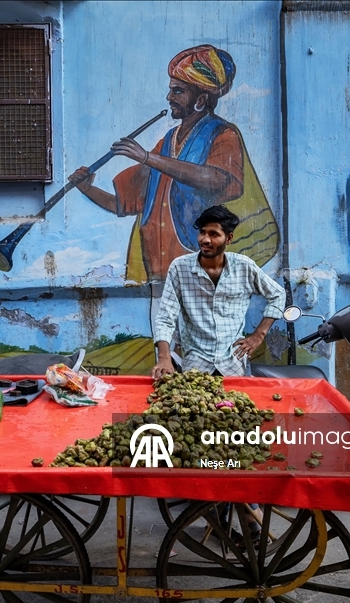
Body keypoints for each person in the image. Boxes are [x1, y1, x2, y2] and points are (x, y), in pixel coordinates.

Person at [69, 45, 277, 284]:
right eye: (171, 90)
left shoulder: (223, 134)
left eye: (178, 91)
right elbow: (124, 203)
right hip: (157, 273)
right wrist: (87, 188)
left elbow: (217, 180)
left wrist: (147, 157)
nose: (169, 98)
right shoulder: (167, 142)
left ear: (201, 99)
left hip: (200, 272)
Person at [151, 205, 285, 379]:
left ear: (228, 238)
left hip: (234, 363)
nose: (205, 240)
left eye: (214, 234)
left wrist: (258, 336)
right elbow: (165, 317)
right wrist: (164, 357)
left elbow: (278, 295)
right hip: (196, 364)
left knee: (238, 398)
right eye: (202, 232)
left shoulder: (244, 267)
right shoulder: (180, 268)